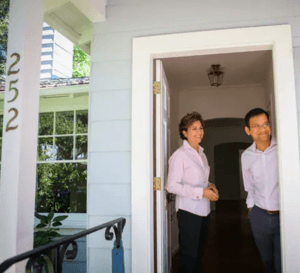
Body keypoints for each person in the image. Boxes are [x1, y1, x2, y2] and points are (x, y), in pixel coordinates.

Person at [166, 111, 219, 273]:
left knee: (199, 254)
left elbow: (201, 180)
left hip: (204, 211)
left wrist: (210, 185)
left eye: (201, 128)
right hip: (189, 212)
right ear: (184, 132)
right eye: (194, 128)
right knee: (189, 257)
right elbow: (171, 186)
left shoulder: (201, 154)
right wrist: (201, 193)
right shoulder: (179, 156)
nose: (199, 132)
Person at [241, 108, 281, 273]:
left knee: (284, 262)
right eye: (256, 126)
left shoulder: (284, 148)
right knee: (268, 261)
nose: (262, 129)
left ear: (270, 127)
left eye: (265, 124)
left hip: (284, 217)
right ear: (248, 131)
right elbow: (248, 186)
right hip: (259, 217)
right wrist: (252, 211)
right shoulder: (247, 156)